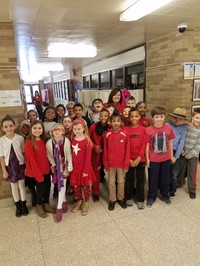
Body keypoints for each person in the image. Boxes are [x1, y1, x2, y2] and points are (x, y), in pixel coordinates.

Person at [24, 120, 55, 218]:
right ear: (31, 129)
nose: (37, 130)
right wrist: (38, 174)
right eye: (35, 128)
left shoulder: (44, 140)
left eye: (39, 128)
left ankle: (46, 203)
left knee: (48, 188)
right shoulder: (29, 143)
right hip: (36, 171)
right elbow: (31, 161)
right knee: (41, 189)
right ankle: (39, 205)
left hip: (46, 169)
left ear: (42, 129)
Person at [146, 106, 175, 207]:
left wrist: (171, 156)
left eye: (162, 117)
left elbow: (170, 143)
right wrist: (147, 159)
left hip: (166, 159)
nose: (159, 119)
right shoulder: (148, 130)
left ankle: (165, 194)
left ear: (164, 117)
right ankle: (152, 196)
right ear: (153, 118)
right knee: (153, 179)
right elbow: (146, 146)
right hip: (154, 159)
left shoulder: (168, 129)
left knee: (165, 178)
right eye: (157, 117)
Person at [0, 115, 29, 217]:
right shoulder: (1, 140)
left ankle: (23, 204)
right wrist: (4, 170)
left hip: (20, 165)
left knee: (21, 185)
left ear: (15, 126)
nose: (9, 128)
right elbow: (2, 157)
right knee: (13, 186)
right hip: (10, 166)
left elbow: (24, 153)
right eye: (6, 126)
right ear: (2, 128)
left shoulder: (20, 138)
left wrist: (26, 167)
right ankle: (17, 205)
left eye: (11, 125)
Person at [103, 112, 130, 211]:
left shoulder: (124, 133)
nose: (116, 123)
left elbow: (127, 150)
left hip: (121, 164)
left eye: (118, 121)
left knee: (121, 181)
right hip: (110, 164)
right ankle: (112, 200)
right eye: (113, 121)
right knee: (111, 182)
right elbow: (105, 151)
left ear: (121, 122)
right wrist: (105, 164)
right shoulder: (107, 134)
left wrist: (126, 164)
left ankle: (121, 198)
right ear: (110, 122)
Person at [46, 124, 73, 222]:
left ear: (62, 132)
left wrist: (70, 164)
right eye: (55, 130)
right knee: (59, 184)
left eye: (59, 130)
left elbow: (68, 154)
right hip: (56, 167)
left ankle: (59, 208)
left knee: (62, 186)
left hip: (64, 166)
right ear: (52, 132)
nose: (57, 132)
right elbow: (49, 154)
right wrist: (53, 164)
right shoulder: (49, 143)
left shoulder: (66, 141)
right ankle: (64, 201)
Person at [70, 119, 95, 216]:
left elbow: (88, 158)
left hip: (84, 168)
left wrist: (86, 170)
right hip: (75, 168)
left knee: (85, 186)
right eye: (75, 129)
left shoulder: (87, 141)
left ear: (84, 128)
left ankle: (86, 201)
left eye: (79, 129)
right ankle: (79, 200)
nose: (77, 131)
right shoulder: (72, 140)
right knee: (76, 185)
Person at [124, 108, 147, 209]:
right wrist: (128, 159)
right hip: (128, 159)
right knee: (129, 179)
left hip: (140, 159)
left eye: (136, 116)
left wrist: (139, 158)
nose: (134, 118)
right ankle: (128, 197)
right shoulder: (125, 129)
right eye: (131, 116)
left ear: (139, 117)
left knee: (140, 180)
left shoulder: (143, 129)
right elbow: (124, 146)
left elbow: (144, 144)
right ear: (129, 117)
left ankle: (140, 199)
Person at [89, 109, 109, 202]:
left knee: (112, 175)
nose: (103, 117)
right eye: (101, 115)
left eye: (105, 115)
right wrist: (94, 146)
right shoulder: (93, 127)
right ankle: (96, 193)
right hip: (96, 156)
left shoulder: (111, 127)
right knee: (96, 175)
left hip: (108, 156)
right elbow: (87, 139)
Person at [167, 107, 187, 198]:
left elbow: (181, 143)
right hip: (166, 151)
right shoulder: (167, 125)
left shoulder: (183, 128)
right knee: (165, 172)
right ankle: (164, 188)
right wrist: (170, 155)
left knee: (174, 173)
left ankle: (172, 190)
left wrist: (175, 156)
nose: (177, 120)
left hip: (177, 152)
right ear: (172, 117)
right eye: (175, 118)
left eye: (180, 119)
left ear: (183, 120)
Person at [181, 109, 200, 199]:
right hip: (183, 153)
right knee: (182, 170)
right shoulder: (186, 126)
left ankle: (192, 189)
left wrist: (190, 154)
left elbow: (198, 146)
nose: (198, 120)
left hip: (193, 156)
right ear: (192, 117)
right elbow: (181, 138)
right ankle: (180, 182)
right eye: (197, 117)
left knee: (192, 173)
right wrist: (181, 149)